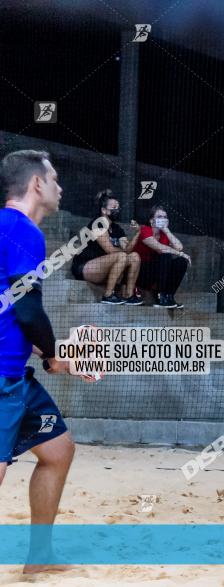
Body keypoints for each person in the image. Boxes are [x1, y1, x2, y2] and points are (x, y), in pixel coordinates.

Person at [0, 150, 98, 573]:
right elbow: (26, 308)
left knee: (58, 449)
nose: (60, 187)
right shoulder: (21, 229)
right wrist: (56, 355)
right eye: (54, 179)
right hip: (2, 378)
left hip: (16, 376)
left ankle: (39, 557)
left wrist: (54, 357)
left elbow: (15, 312)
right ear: (36, 184)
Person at [70, 189, 142, 305]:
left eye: (118, 206)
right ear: (104, 210)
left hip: (105, 266)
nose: (117, 209)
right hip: (86, 266)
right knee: (122, 256)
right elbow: (110, 250)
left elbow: (128, 249)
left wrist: (138, 233)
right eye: (114, 207)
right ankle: (108, 295)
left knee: (135, 256)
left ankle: (129, 295)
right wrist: (124, 251)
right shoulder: (97, 224)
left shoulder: (117, 229)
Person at [133, 205, 191, 308]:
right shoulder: (145, 230)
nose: (163, 219)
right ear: (151, 221)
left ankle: (168, 296)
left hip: (157, 272)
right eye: (159, 217)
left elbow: (179, 247)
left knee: (181, 262)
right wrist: (181, 254)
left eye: (165, 217)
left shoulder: (164, 234)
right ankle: (160, 297)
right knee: (166, 255)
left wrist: (166, 230)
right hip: (141, 273)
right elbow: (160, 248)